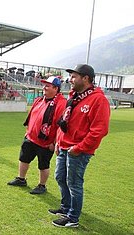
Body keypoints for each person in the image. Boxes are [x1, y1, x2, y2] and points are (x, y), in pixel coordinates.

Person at [50, 64, 110, 228]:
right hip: (64, 146)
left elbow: (100, 130)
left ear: (86, 78)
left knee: (74, 184)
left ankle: (72, 218)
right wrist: (59, 141)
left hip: (79, 151)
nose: (71, 80)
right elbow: (65, 122)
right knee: (60, 178)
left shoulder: (98, 100)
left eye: (74, 76)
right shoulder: (74, 96)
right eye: (71, 76)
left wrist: (79, 148)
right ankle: (65, 207)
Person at [7, 76, 67, 194]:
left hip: (46, 142)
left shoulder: (61, 103)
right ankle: (21, 179)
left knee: (43, 165)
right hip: (30, 137)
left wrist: (54, 142)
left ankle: (42, 185)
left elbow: (61, 125)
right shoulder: (39, 100)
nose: (44, 87)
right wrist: (27, 131)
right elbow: (31, 117)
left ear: (56, 88)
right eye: (44, 85)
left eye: (47, 85)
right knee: (23, 158)